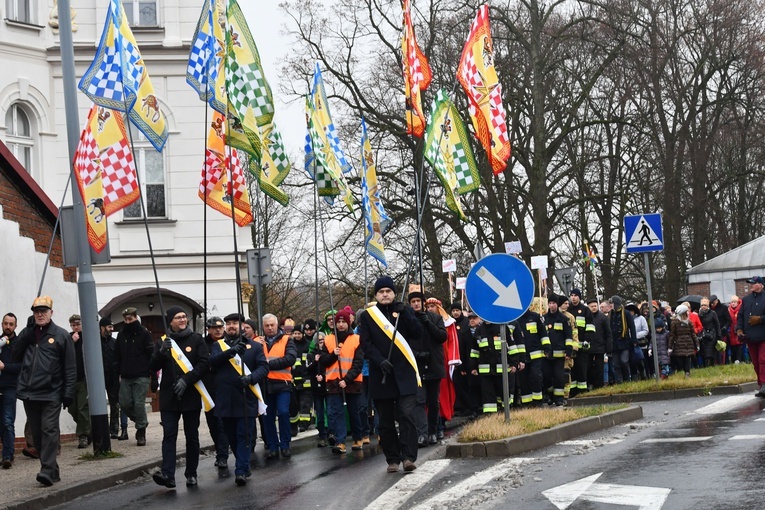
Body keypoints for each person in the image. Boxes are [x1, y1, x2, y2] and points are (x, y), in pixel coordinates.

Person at [359, 276, 424, 473]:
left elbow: (417, 333)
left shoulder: (404, 311)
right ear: (376, 295)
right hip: (382, 375)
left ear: (394, 293)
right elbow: (366, 344)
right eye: (381, 292)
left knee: (407, 416)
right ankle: (393, 459)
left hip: (404, 374)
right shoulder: (368, 316)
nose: (385, 294)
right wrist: (379, 360)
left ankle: (408, 457)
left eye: (388, 291)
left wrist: (407, 315)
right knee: (385, 421)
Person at [13, 296, 76, 486]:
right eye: (36, 311)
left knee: (49, 429)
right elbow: (15, 356)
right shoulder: (28, 334)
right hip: (29, 392)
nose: (40, 314)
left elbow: (70, 368)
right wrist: (25, 335)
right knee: (37, 435)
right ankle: (52, 471)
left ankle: (46, 470)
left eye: (44, 311)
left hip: (52, 392)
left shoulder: (61, 335)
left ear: (51, 313)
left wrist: (68, 392)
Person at [150, 306, 210, 489]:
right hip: (169, 397)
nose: (183, 320)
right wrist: (161, 351)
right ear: (170, 321)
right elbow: (152, 365)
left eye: (184, 317)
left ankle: (191, 473)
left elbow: (204, 364)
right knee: (169, 435)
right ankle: (168, 474)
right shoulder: (163, 342)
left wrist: (187, 380)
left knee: (192, 436)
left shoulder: (197, 339)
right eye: (178, 317)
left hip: (190, 394)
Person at [209, 313, 269, 486]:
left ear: (242, 326)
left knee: (244, 435)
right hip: (225, 399)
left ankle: (241, 470)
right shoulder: (218, 346)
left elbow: (263, 368)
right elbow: (212, 362)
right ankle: (243, 465)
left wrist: (251, 379)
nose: (231, 326)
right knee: (231, 436)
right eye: (228, 324)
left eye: (235, 323)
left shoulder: (254, 346)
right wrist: (231, 352)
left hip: (245, 398)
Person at [320, 308, 364, 454]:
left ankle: (358, 438)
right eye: (338, 321)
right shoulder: (328, 339)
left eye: (343, 322)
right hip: (333, 382)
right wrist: (333, 354)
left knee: (354, 412)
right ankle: (340, 442)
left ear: (348, 323)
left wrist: (347, 379)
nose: (340, 324)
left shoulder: (357, 339)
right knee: (337, 412)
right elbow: (324, 361)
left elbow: (358, 364)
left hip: (352, 382)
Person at [408, 291, 446, 447]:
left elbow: (442, 337)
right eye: (413, 301)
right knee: (419, 401)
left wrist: (428, 323)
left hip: (434, 365)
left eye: (418, 301)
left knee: (433, 401)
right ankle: (421, 434)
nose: (416, 304)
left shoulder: (435, 318)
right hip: (417, 367)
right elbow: (404, 342)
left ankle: (432, 431)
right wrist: (416, 354)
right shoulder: (408, 321)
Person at [256, 313, 297, 459]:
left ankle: (285, 445)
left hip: (282, 383)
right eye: (266, 326)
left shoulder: (287, 340)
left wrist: (267, 365)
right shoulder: (258, 342)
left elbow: (290, 358)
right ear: (263, 327)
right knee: (267, 417)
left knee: (284, 413)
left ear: (276, 325)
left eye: (272, 325)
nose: (269, 328)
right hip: (264, 385)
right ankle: (273, 446)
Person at [114, 307, 154, 444]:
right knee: (124, 403)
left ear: (136, 317)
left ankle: (141, 431)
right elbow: (117, 356)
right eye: (125, 319)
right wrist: (117, 373)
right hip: (126, 375)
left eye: (130, 319)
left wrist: (152, 375)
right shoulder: (121, 335)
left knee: (138, 403)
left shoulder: (144, 334)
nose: (127, 321)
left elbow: (151, 355)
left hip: (141, 375)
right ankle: (141, 421)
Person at [202, 316, 229, 470]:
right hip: (208, 387)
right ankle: (219, 450)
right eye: (214, 327)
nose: (218, 330)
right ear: (209, 329)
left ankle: (222, 455)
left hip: (224, 387)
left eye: (220, 327)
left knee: (221, 423)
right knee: (212, 423)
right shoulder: (203, 344)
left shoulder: (228, 342)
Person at [736, 277, 765, 397]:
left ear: (761, 285)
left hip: (763, 335)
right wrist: (739, 329)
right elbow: (741, 316)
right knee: (755, 362)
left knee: (763, 360)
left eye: (754, 283)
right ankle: (761, 384)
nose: (751, 285)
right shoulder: (746, 300)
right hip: (750, 336)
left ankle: (764, 384)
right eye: (751, 283)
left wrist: (760, 319)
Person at [517, 298, 548, 406]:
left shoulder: (535, 317)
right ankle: (527, 403)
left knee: (535, 376)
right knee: (523, 380)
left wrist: (546, 347)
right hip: (522, 356)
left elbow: (543, 333)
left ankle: (538, 401)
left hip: (536, 354)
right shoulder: (516, 320)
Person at [66, 314, 91, 449]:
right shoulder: (68, 338)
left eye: (77, 324)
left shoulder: (87, 337)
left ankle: (83, 435)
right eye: (73, 325)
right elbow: (61, 353)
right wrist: (71, 342)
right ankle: (88, 429)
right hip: (70, 380)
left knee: (82, 408)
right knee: (72, 409)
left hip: (83, 378)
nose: (75, 327)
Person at [543, 295, 573, 405]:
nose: (552, 305)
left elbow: (568, 336)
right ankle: (550, 395)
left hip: (559, 355)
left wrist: (568, 351)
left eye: (554, 303)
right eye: (550, 303)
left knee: (559, 377)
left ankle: (559, 399)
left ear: (557, 304)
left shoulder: (564, 319)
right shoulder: (544, 319)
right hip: (546, 355)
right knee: (546, 376)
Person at [0, 313, 21, 468]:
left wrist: (4, 367)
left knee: (7, 422)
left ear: (15, 326)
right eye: (5, 323)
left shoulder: (19, 344)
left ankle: (7, 456)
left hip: (10, 387)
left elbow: (22, 366)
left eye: (11, 324)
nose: (8, 326)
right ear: (2, 324)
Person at [99, 317, 123, 440]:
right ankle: (99, 429)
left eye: (112, 327)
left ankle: (113, 430)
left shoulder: (115, 342)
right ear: (102, 328)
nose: (111, 329)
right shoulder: (95, 343)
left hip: (113, 378)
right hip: (99, 378)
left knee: (115, 405)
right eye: (109, 327)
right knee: (97, 404)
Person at [567, 289, 594, 396]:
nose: (573, 297)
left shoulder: (585, 310)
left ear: (579, 297)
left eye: (575, 295)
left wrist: (587, 340)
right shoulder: (567, 310)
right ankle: (573, 391)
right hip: (571, 346)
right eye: (571, 295)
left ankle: (582, 390)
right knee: (572, 369)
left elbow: (590, 327)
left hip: (582, 345)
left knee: (582, 368)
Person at [306, 332, 328, 447]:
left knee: (330, 411)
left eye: (323, 341)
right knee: (319, 413)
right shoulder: (311, 354)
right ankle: (322, 435)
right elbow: (307, 368)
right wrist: (315, 361)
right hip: (316, 387)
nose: (321, 343)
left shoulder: (328, 353)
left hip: (327, 386)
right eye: (319, 341)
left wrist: (323, 376)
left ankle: (331, 433)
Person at [290, 325, 313, 433]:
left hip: (306, 379)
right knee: (295, 403)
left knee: (305, 403)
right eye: (295, 333)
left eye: (299, 333)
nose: (297, 335)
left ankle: (305, 423)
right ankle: (296, 423)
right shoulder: (291, 345)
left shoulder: (307, 345)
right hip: (294, 379)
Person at [609, 296, 636, 384]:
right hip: (614, 342)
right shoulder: (610, 314)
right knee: (616, 364)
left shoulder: (626, 313)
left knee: (624, 361)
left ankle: (627, 378)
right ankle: (619, 381)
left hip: (624, 341)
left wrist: (633, 339)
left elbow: (632, 327)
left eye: (611, 303)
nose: (610, 305)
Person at [586, 299, 612, 390]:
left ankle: (599, 386)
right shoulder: (586, 317)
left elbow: (608, 333)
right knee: (588, 367)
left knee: (599, 368)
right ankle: (590, 384)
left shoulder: (603, 318)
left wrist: (608, 348)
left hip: (600, 347)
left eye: (595, 306)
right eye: (591, 306)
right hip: (588, 347)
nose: (594, 308)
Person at [669, 304, 699, 378]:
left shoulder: (689, 322)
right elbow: (672, 335)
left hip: (688, 343)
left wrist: (697, 344)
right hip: (679, 344)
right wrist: (670, 346)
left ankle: (687, 373)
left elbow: (693, 334)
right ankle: (682, 371)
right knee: (680, 360)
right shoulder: (675, 322)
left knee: (687, 359)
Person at [698, 297, 721, 367]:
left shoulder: (713, 313)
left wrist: (719, 335)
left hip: (712, 335)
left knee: (711, 352)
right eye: (702, 305)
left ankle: (712, 364)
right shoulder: (699, 314)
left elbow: (717, 324)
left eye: (705, 305)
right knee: (705, 353)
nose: (703, 307)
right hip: (704, 335)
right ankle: (707, 365)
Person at [709, 295, 731, 364]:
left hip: (722, 331)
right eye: (711, 303)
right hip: (713, 332)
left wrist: (725, 327)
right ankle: (715, 363)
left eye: (713, 303)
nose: (712, 305)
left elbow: (729, 320)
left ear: (717, 301)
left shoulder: (723, 308)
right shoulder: (710, 310)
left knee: (721, 348)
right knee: (714, 349)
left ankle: (722, 363)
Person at [728, 295, 743, 363]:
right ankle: (734, 360)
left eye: (734, 302)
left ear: (737, 303)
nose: (733, 303)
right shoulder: (729, 310)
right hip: (731, 331)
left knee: (739, 345)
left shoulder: (740, 309)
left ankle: (739, 359)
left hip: (739, 329)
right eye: (732, 302)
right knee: (733, 346)